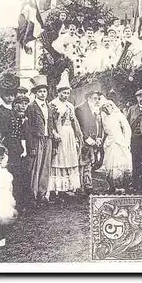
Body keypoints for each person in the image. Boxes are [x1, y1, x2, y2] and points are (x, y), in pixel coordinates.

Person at [48, 70, 83, 198]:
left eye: (68, 93)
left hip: (69, 134)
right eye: (63, 93)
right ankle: (57, 189)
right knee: (59, 159)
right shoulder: (53, 104)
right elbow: (50, 122)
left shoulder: (70, 105)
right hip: (59, 132)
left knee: (69, 158)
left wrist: (77, 137)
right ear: (58, 92)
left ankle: (68, 187)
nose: (66, 95)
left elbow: (74, 122)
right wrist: (54, 133)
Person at [25, 75, 56, 204]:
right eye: (40, 91)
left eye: (44, 91)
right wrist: (31, 146)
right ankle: (33, 194)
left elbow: (51, 124)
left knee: (45, 167)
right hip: (37, 140)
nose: (43, 94)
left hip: (47, 138)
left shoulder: (48, 107)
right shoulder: (31, 107)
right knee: (36, 167)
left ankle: (42, 194)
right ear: (35, 93)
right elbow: (28, 128)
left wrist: (53, 139)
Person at [2, 95, 31, 213]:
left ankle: (21, 203)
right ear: (15, 104)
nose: (23, 106)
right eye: (21, 104)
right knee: (13, 175)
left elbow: (23, 135)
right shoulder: (9, 115)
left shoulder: (23, 118)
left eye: (25, 104)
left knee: (21, 175)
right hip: (9, 148)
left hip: (18, 148)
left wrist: (23, 149)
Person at [100, 100, 132, 193]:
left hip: (120, 141)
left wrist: (127, 142)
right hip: (110, 142)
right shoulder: (104, 117)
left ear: (113, 106)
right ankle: (112, 185)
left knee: (120, 162)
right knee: (110, 163)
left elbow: (127, 129)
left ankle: (122, 186)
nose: (107, 108)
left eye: (109, 106)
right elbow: (102, 131)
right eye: (105, 107)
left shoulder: (119, 115)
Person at [75, 90, 104, 195]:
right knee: (81, 164)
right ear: (88, 98)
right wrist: (88, 139)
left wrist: (99, 137)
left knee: (89, 164)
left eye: (98, 99)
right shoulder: (80, 109)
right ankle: (80, 187)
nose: (97, 101)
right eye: (94, 98)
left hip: (94, 141)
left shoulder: (98, 110)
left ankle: (88, 185)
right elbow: (81, 127)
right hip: (83, 141)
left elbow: (100, 125)